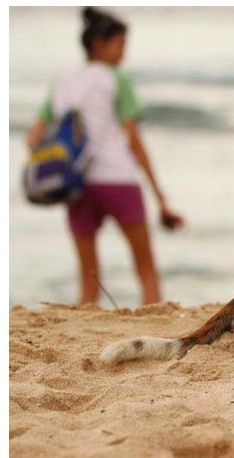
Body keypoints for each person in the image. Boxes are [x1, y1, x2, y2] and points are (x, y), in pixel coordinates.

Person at [26, 7, 184, 306]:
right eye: (121, 44)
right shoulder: (115, 79)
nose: (124, 53)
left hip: (77, 186)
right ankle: (151, 324)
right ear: (99, 43)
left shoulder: (62, 81)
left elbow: (33, 139)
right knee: (147, 272)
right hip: (118, 181)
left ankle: (82, 324)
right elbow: (134, 141)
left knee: (89, 283)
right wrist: (160, 198)